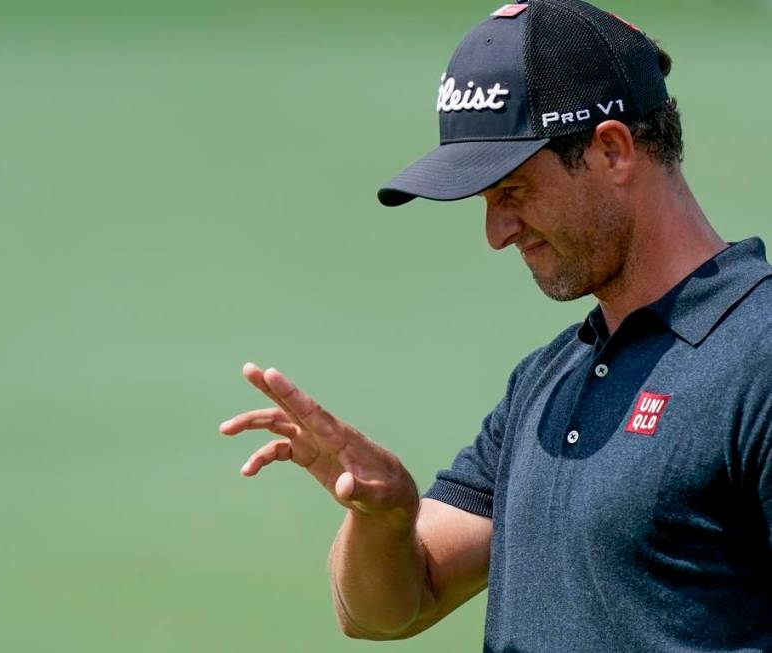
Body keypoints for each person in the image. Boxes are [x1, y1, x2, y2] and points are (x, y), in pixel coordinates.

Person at [219, 1, 772, 650]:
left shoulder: (756, 357)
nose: (495, 232)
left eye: (511, 192)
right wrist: (384, 517)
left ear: (612, 151)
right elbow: (388, 608)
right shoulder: (545, 381)